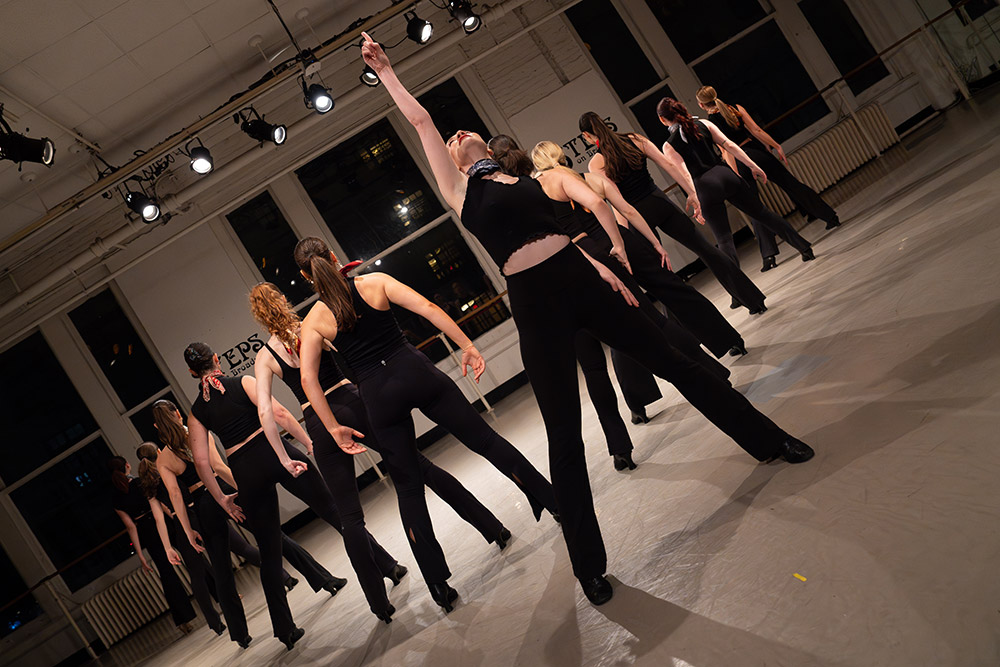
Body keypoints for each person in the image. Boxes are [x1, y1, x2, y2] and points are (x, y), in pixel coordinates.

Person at [360, 33, 815, 607]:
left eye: (461, 131)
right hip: (534, 303)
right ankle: (588, 565)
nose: (454, 135)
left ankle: (770, 440)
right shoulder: (460, 192)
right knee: (564, 435)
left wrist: (609, 275)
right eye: (449, 139)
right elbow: (423, 121)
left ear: (486, 144)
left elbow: (565, 238)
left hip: (581, 279)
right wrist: (387, 71)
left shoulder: (523, 178)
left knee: (676, 364)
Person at [294, 237, 558, 614]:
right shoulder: (374, 282)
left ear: (306, 276)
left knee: (409, 489)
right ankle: (552, 501)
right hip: (414, 372)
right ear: (334, 258)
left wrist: (334, 427)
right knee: (484, 439)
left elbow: (308, 380)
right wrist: (467, 344)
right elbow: (429, 307)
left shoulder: (315, 320)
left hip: (377, 396)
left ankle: (437, 583)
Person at [489, 135, 733, 471]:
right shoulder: (544, 184)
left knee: (594, 367)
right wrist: (616, 245)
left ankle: (619, 447)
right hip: (586, 262)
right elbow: (600, 205)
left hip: (554, 282)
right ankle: (713, 373)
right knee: (651, 323)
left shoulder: (512, 201)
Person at [249, 282, 512, 555]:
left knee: (349, 515)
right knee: (421, 468)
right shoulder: (316, 321)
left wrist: (284, 456)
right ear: (282, 299)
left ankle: (380, 597)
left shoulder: (264, 357)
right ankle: (491, 527)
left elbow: (269, 411)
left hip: (318, 419)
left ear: (259, 315)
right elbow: (350, 353)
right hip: (351, 401)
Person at [184, 345, 352, 650]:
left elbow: (202, 462)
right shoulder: (243, 382)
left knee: (270, 552)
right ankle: (384, 565)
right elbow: (278, 413)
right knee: (333, 511)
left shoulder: (197, 412)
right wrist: (308, 441)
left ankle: (284, 629)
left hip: (245, 471)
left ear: (193, 373)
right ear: (217, 359)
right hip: (274, 452)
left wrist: (222, 498)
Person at [150, 400, 336, 648]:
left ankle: (239, 634)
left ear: (156, 426)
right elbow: (217, 467)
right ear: (177, 414)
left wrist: (187, 530)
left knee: (222, 571)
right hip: (227, 492)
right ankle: (324, 579)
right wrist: (245, 489)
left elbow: (175, 497)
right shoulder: (197, 434)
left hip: (203, 505)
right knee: (274, 538)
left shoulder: (163, 459)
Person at [578, 110, 768, 314]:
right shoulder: (635, 139)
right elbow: (667, 164)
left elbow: (618, 204)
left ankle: (694, 333)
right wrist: (691, 193)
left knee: (665, 276)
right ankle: (754, 300)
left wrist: (623, 237)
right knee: (706, 250)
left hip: (638, 216)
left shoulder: (596, 163)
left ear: (587, 136)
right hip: (660, 202)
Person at [656, 97, 816, 287]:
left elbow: (685, 175)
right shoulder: (704, 124)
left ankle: (740, 290)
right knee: (763, 214)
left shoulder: (668, 145)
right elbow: (730, 145)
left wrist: (695, 198)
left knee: (724, 239)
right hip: (726, 175)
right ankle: (804, 248)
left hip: (704, 186)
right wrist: (753, 165)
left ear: (662, 120)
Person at [696, 86, 840, 271]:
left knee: (754, 208)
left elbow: (727, 150)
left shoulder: (710, 123)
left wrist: (736, 174)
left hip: (740, 161)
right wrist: (775, 145)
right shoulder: (736, 109)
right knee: (792, 185)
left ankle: (768, 256)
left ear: (701, 104)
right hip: (757, 153)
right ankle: (830, 217)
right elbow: (756, 130)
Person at [135, 443, 224, 637]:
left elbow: (160, 519)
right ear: (158, 452)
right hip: (195, 513)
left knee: (196, 575)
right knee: (237, 546)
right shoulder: (167, 468)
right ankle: (284, 576)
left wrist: (167, 547)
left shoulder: (150, 484)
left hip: (179, 524)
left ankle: (213, 622)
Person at [108, 455, 196, 635]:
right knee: (193, 558)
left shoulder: (115, 498)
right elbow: (161, 507)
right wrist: (182, 521)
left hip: (146, 531)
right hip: (162, 523)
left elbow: (131, 527)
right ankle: (220, 597)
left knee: (167, 573)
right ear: (127, 465)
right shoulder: (140, 482)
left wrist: (140, 555)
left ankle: (183, 620)